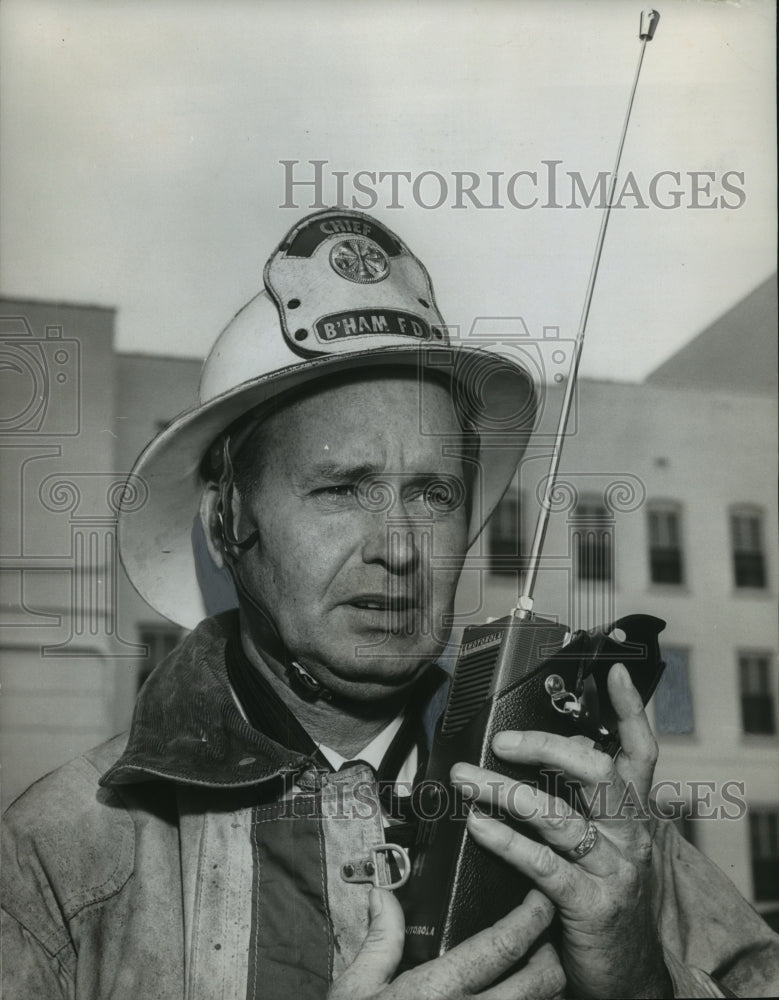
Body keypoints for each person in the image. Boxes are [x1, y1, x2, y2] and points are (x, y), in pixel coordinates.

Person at [2, 209, 777, 1000]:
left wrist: (639, 979)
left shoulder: (590, 820)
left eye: (433, 494)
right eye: (341, 488)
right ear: (227, 521)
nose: (401, 549)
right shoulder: (60, 850)